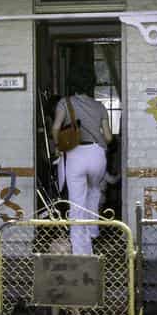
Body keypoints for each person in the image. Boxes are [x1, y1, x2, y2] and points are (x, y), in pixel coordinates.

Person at [50, 69, 113, 256]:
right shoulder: (100, 106)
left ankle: (81, 251)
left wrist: (57, 144)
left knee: (77, 203)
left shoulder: (65, 102)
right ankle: (93, 231)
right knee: (94, 191)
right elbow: (108, 137)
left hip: (75, 153)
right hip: (97, 155)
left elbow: (55, 128)